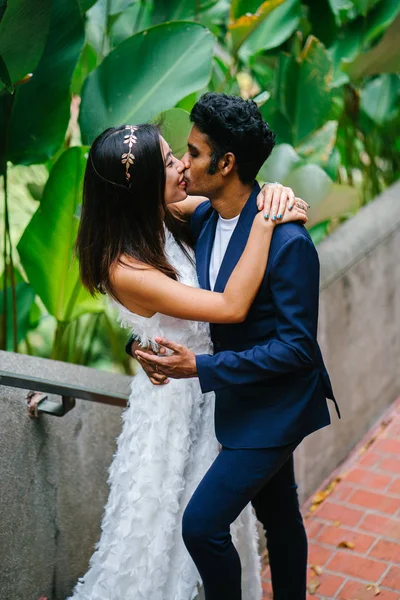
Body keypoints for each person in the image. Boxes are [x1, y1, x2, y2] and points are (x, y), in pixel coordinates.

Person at [70, 117, 307, 600]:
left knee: (257, 516)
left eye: (181, 155)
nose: (183, 166)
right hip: (177, 402)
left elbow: (236, 201)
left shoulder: (173, 216)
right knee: (171, 527)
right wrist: (265, 224)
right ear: (143, 190)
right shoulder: (126, 265)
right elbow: (229, 306)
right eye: (172, 161)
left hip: (218, 387)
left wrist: (276, 195)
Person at [133, 92, 341, 600]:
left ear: (226, 164)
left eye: (194, 152)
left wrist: (200, 368)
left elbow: (298, 349)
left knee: (201, 526)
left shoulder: (290, 243)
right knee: (280, 515)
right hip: (239, 399)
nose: (184, 162)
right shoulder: (204, 219)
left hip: (276, 407)